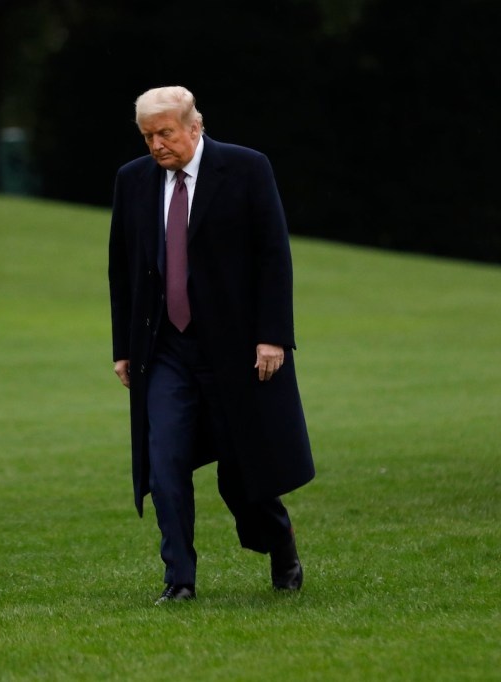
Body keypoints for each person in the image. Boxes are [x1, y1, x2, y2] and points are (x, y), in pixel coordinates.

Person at [108, 85, 315, 603]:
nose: (156, 145)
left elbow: (273, 256)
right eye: (148, 136)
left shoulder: (246, 169)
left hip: (236, 349)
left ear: (194, 126)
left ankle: (280, 543)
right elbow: (121, 269)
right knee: (166, 461)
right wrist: (124, 347)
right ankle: (179, 579)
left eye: (166, 133)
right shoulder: (132, 181)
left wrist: (273, 337)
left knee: (243, 472)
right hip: (165, 349)